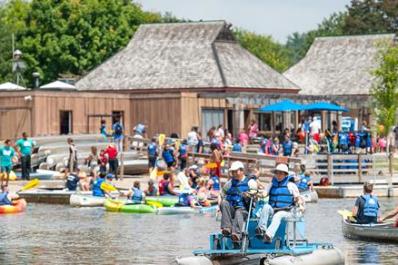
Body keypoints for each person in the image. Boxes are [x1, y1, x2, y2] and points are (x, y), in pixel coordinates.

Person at [256, 163, 304, 243]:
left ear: (285, 175)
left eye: (281, 173)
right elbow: (264, 193)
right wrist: (257, 194)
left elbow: (298, 198)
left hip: (287, 211)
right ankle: (262, 229)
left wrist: (300, 205)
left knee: (279, 215)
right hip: (273, 210)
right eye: (277, 173)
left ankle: (268, 235)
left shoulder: (290, 185)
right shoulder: (271, 184)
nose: (278, 175)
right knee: (266, 207)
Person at [219, 161, 257, 242]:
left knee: (238, 212)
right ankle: (227, 228)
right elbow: (221, 194)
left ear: (242, 171)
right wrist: (219, 206)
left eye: (236, 171)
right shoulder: (230, 183)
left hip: (245, 210)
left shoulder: (250, 182)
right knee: (224, 203)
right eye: (233, 172)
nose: (234, 174)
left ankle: (236, 234)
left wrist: (249, 196)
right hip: (232, 208)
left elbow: (255, 197)